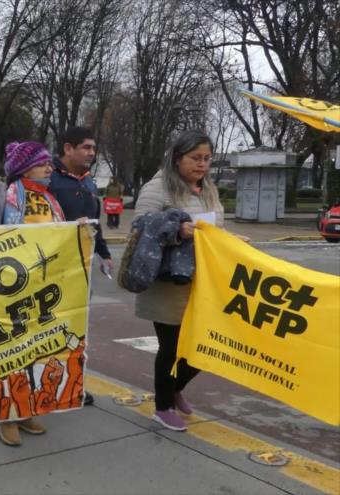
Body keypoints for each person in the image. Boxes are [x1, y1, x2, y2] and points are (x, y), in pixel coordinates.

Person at [0, 141, 71, 446]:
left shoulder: (50, 198)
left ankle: (24, 409)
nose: (50, 168)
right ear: (25, 167)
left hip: (42, 288)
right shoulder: (3, 195)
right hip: (8, 289)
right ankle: (5, 415)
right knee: (7, 354)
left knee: (33, 352)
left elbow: (58, 234)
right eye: (43, 164)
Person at [133, 130, 225, 432]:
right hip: (167, 282)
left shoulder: (208, 188)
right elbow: (139, 227)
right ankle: (163, 406)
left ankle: (174, 387)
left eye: (207, 159)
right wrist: (177, 230)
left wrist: (229, 241)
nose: (202, 165)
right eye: (195, 158)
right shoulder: (158, 187)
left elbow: (215, 228)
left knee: (205, 345)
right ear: (177, 158)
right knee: (171, 347)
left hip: (202, 280)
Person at [49, 126, 108, 406]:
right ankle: (48, 386)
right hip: (52, 269)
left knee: (77, 330)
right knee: (49, 330)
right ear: (67, 148)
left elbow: (94, 220)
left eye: (94, 148)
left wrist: (104, 251)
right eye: (86, 147)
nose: (92, 153)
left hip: (81, 269)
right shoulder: (49, 180)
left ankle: (74, 385)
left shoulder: (88, 182)